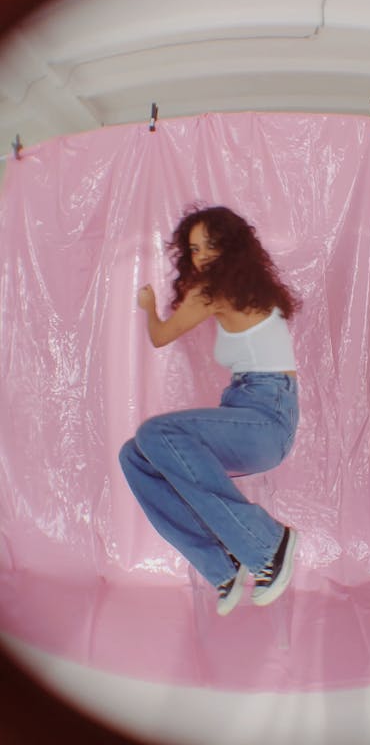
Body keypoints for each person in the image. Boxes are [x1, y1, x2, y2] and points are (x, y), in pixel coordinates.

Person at [119, 205, 301, 616]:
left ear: (230, 245)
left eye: (209, 246)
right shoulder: (251, 287)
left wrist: (148, 305)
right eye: (194, 248)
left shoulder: (213, 291)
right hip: (251, 413)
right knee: (133, 456)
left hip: (265, 418)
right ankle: (223, 565)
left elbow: (162, 336)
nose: (200, 256)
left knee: (154, 434)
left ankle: (269, 544)